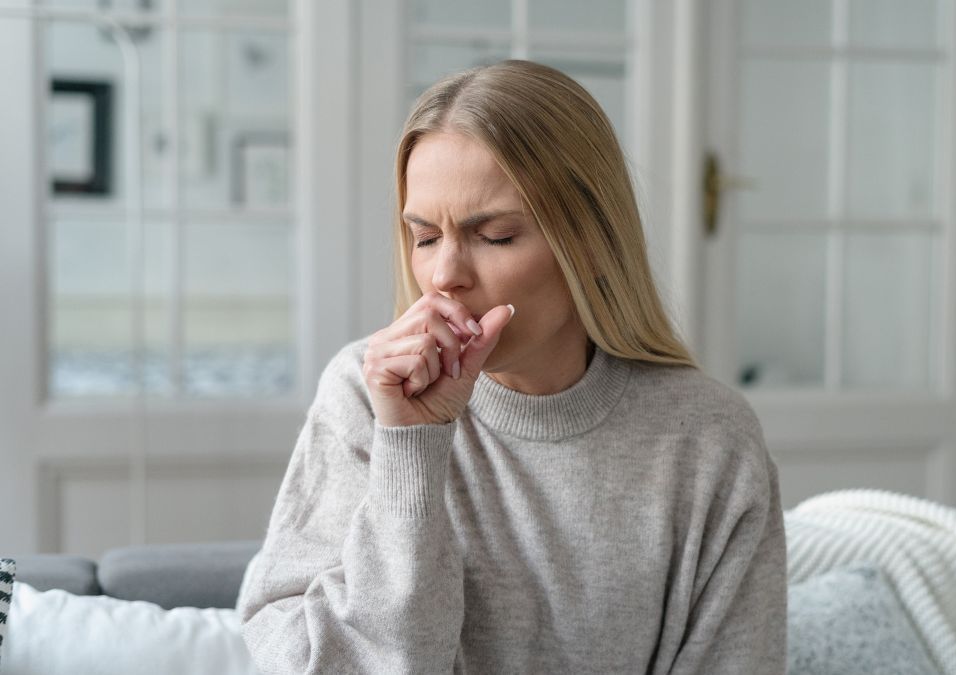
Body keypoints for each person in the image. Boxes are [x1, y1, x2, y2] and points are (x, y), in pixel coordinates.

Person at [237, 59, 785, 674]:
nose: (444, 275)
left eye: (494, 236)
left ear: (593, 243)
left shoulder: (709, 438)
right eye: (423, 237)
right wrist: (410, 448)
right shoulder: (363, 396)